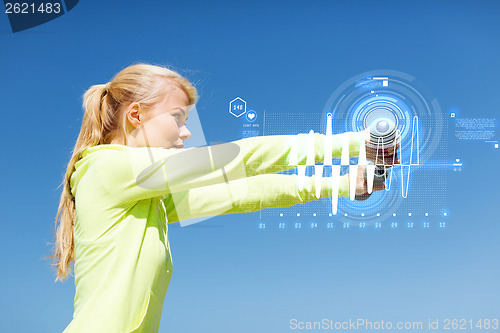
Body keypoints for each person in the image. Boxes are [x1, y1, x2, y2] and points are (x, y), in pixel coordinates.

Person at [49, 63, 396, 333]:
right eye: (177, 118)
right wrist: (351, 144)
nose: (186, 132)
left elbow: (237, 192)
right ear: (136, 116)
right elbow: (232, 161)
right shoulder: (105, 167)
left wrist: (339, 182)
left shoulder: (146, 197)